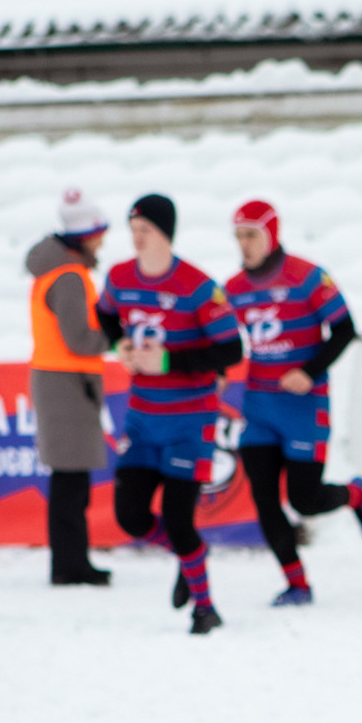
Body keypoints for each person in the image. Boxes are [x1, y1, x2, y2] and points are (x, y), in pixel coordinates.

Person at [97, 193, 244, 634]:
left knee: (180, 519)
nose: (136, 239)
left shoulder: (198, 286)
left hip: (189, 421)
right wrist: (119, 344)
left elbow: (230, 349)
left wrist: (169, 362)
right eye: (133, 230)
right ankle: (190, 555)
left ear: (165, 233)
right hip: (143, 417)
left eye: (145, 230)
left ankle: (205, 607)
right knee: (131, 516)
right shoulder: (121, 276)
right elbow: (104, 317)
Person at [222, 198, 362, 605]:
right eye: (238, 236)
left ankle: (354, 495)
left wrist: (308, 371)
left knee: (304, 501)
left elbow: (345, 330)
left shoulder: (308, 277)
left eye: (251, 235)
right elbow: (218, 342)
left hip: (303, 409)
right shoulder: (234, 290)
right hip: (258, 408)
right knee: (263, 500)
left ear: (271, 234)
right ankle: (297, 584)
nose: (244, 244)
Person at [27, 187, 114, 586]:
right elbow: (79, 338)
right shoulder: (71, 278)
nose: (102, 241)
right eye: (99, 233)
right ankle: (70, 565)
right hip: (68, 382)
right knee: (71, 482)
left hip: (57, 379)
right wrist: (114, 334)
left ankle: (70, 561)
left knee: (68, 479)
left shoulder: (54, 272)